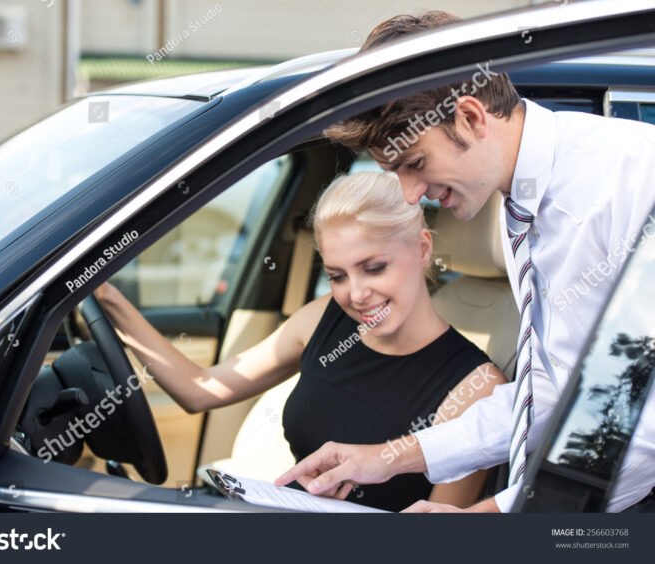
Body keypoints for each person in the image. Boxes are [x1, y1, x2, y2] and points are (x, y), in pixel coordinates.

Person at [273, 11, 655, 513]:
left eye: (414, 164)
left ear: (471, 118)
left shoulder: (628, 183)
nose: (410, 195)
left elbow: (639, 424)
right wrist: (389, 457)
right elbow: (550, 389)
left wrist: (487, 518)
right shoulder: (522, 204)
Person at [95, 171, 506, 512]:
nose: (357, 294)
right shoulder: (325, 317)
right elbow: (201, 390)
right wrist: (107, 299)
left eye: (374, 267)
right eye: (338, 275)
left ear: (421, 248)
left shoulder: (476, 387)